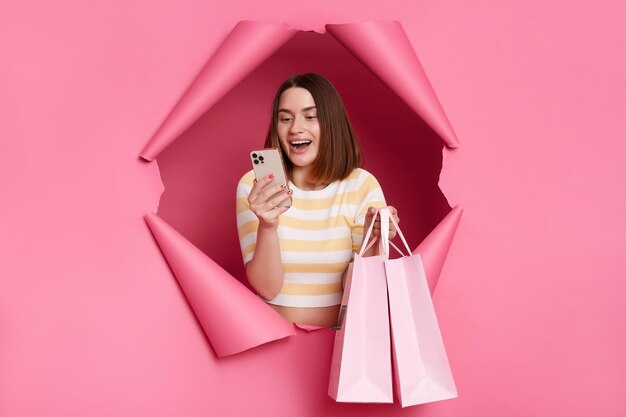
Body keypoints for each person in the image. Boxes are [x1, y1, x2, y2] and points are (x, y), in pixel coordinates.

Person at [236, 73, 400, 328]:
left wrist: (372, 240)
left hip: (341, 345)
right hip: (270, 339)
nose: (295, 128)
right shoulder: (255, 187)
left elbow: (358, 292)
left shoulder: (361, 185)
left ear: (332, 123)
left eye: (310, 116)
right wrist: (268, 226)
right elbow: (267, 289)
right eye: (285, 118)